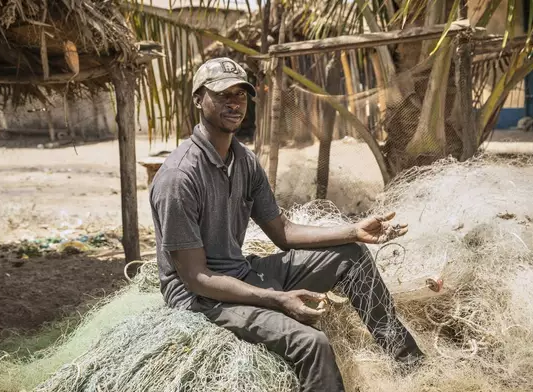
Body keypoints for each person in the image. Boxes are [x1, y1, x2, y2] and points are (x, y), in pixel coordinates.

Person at [149, 57, 424, 392]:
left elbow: (283, 231)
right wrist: (275, 298)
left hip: (239, 272)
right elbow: (197, 277)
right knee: (312, 344)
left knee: (351, 255)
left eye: (240, 94)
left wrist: (353, 231)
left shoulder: (244, 160)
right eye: (222, 94)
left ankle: (412, 366)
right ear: (198, 99)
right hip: (202, 298)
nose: (234, 102)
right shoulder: (179, 177)